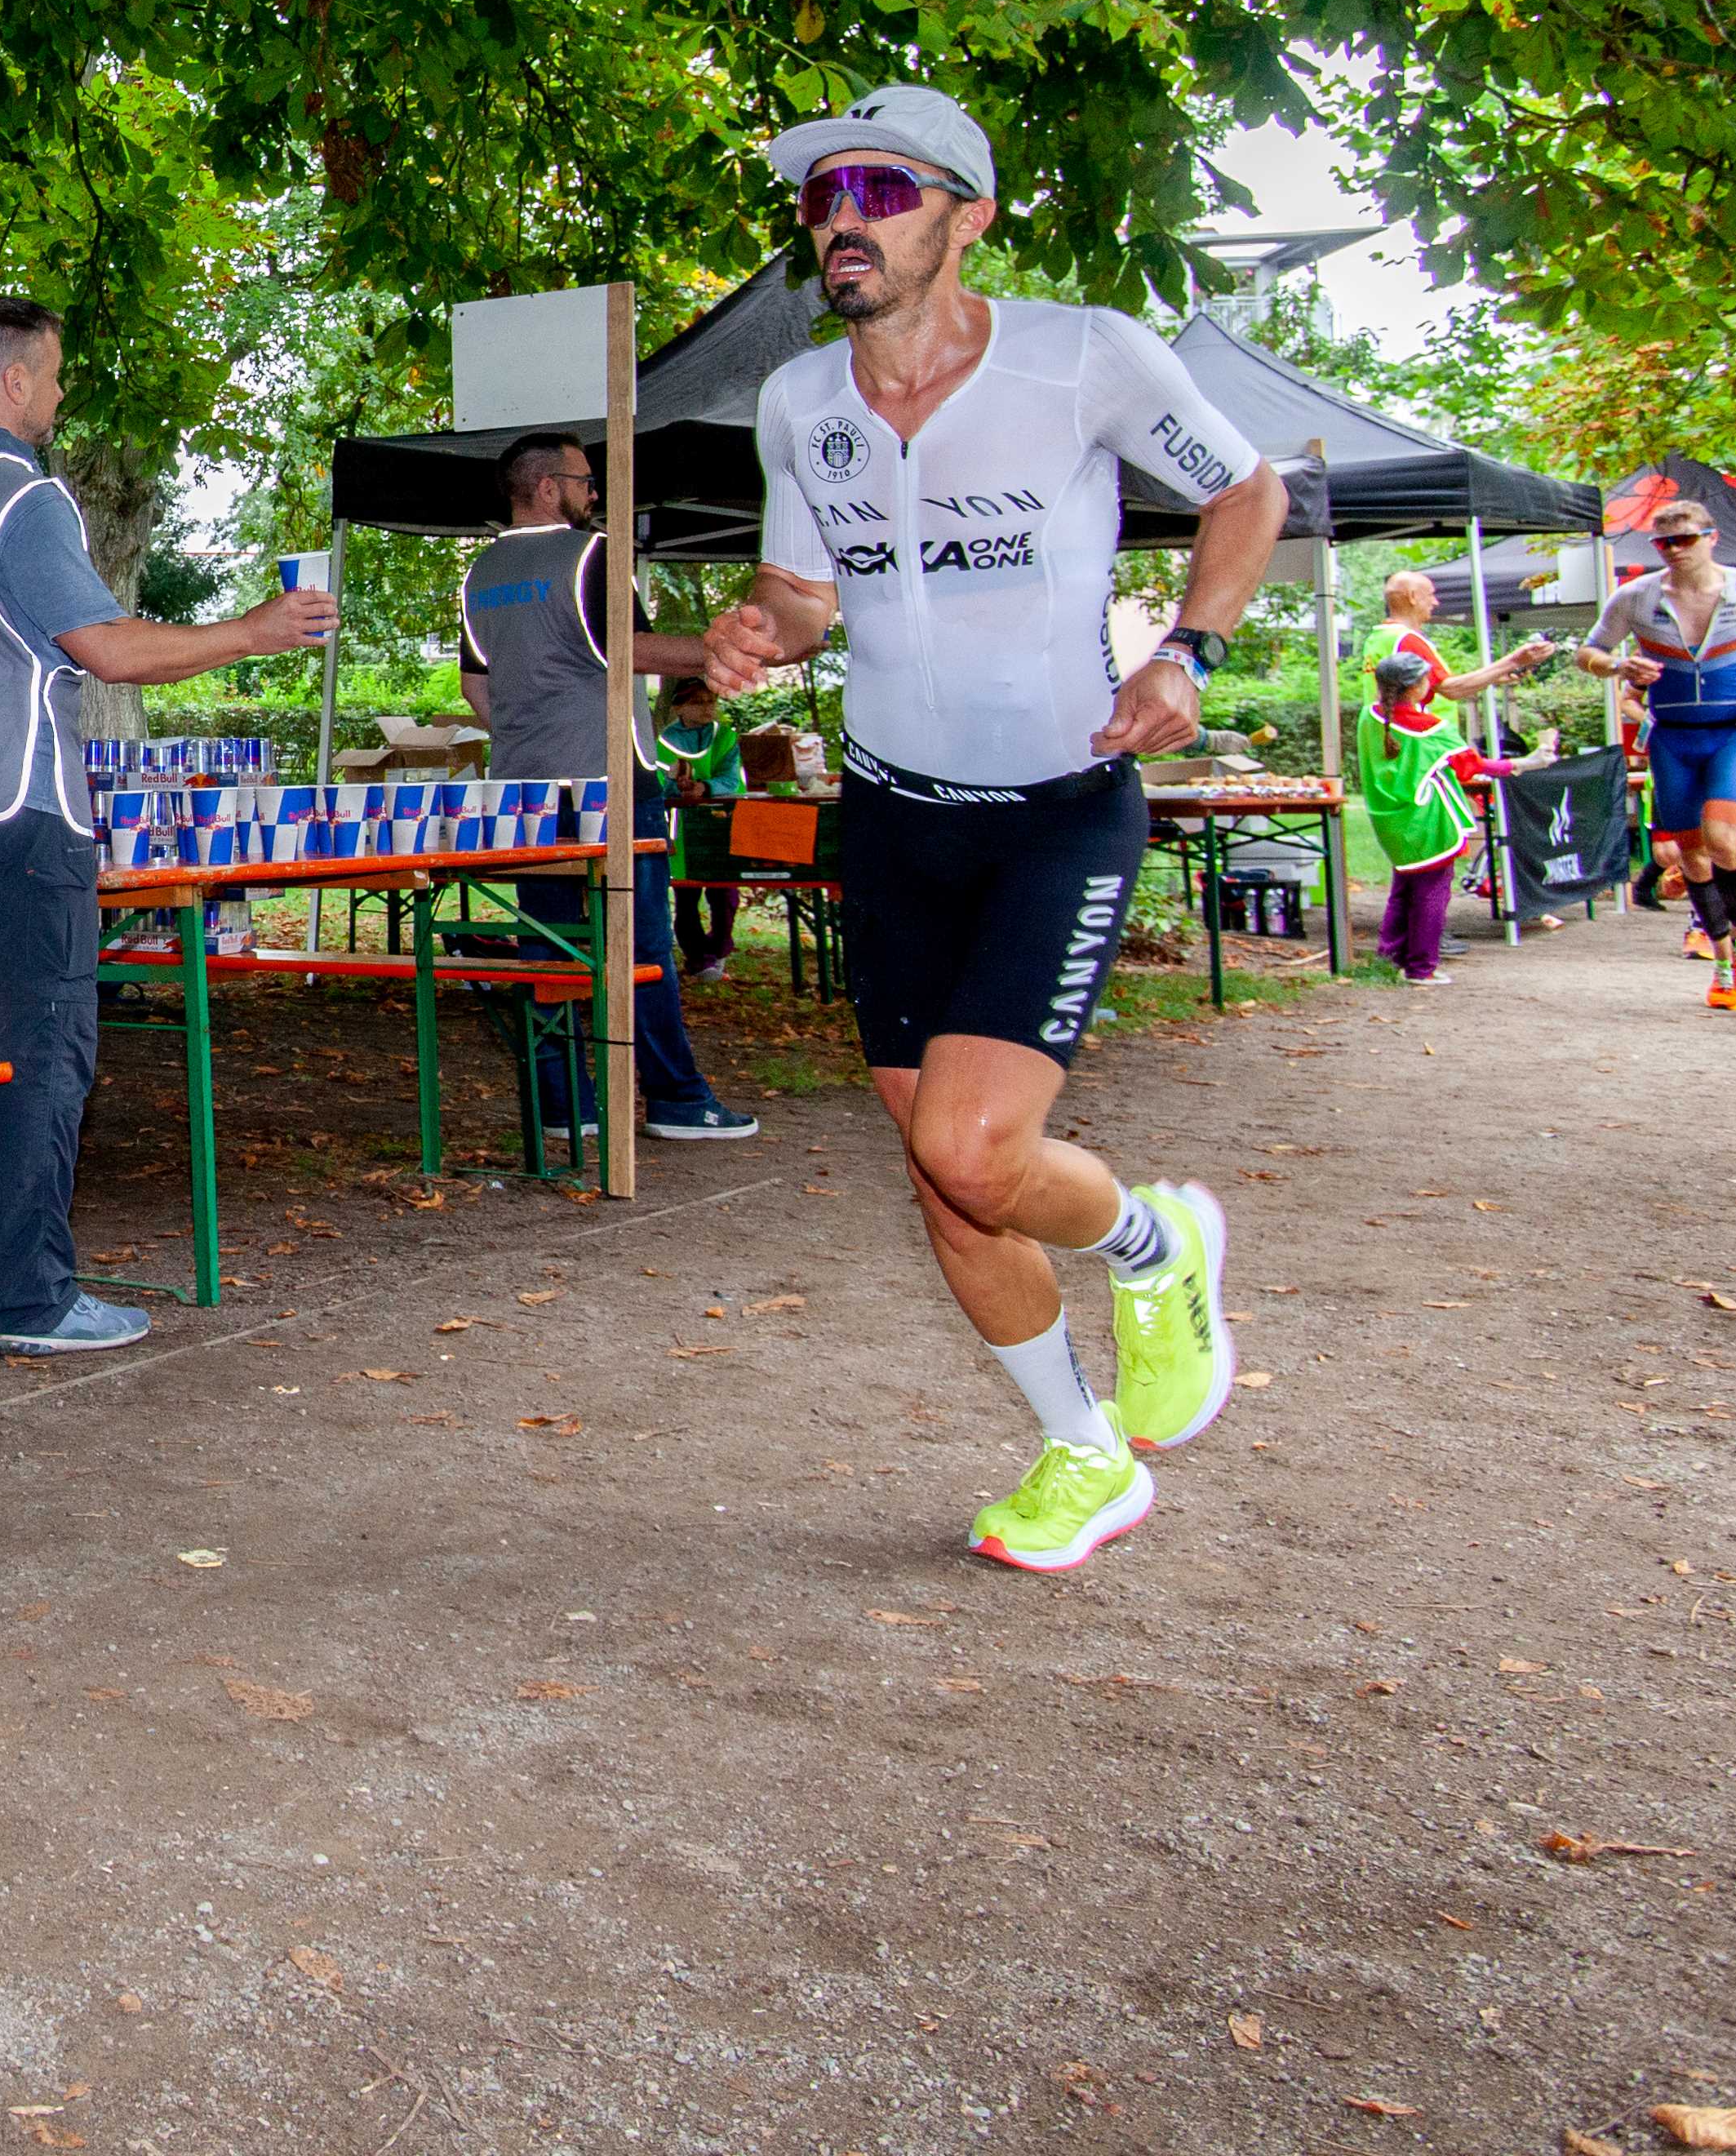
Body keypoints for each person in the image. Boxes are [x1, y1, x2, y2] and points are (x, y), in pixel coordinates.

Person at [703, 82, 1284, 1572]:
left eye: (883, 192)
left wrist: (1192, 649)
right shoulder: (797, 401)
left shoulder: (1080, 352)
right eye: (826, 194)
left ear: (968, 217)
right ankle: (1083, 1448)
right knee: (941, 1170)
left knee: (975, 1144)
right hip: (893, 815)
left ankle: (1157, 1245)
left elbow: (1249, 489)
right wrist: (748, 631)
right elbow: (802, 594)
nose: (842, 217)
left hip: (1056, 809)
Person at [0, 296, 335, 1354]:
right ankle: (33, 1299)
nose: (60, 394)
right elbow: (105, 648)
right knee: (45, 1046)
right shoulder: (20, 496)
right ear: (14, 382)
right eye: (55, 375)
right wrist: (250, 632)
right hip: (23, 809)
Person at [461, 439, 762, 1139]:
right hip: (610, 781)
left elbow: (477, 686)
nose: (594, 493)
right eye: (585, 481)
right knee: (643, 946)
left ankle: (567, 1109)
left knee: (547, 949)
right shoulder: (589, 555)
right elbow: (633, 650)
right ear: (545, 487)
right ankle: (678, 1101)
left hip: (526, 790)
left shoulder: (482, 572)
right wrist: (723, 649)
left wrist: (531, 731)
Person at [1582, 500, 1736, 1007]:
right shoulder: (1635, 597)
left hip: (1733, 732)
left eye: (1686, 540)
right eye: (1664, 543)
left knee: (1724, 840)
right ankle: (1721, 963)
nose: (1675, 551)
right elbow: (1588, 653)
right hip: (1672, 738)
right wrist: (1618, 668)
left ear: (1712, 537)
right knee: (1690, 857)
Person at [1353, 647, 1508, 985]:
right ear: (1413, 687)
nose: (1431, 683)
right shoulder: (1431, 728)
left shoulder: (1369, 717)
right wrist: (1520, 765)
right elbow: (1471, 766)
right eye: (1426, 678)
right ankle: (1422, 968)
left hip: (1392, 821)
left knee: (1403, 891)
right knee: (1431, 897)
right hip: (1428, 822)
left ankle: (1390, 959)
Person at [1359, 567, 1560, 717]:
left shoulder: (1377, 639)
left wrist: (1494, 675)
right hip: (1419, 743)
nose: (1435, 602)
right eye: (1431, 595)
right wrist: (1515, 660)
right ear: (1412, 597)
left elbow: (1433, 685)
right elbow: (1451, 689)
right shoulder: (1407, 640)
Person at [655, 677, 745, 973]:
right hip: (682, 828)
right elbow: (657, 785)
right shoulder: (665, 741)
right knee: (686, 894)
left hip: (721, 827)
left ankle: (719, 949)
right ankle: (697, 958)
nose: (708, 709)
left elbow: (733, 780)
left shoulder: (724, 736)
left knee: (725, 894)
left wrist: (705, 788)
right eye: (698, 702)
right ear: (680, 706)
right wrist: (676, 788)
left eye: (711, 702)